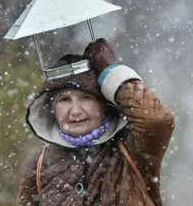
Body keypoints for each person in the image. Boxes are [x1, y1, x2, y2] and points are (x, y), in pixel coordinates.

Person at [18, 38, 175, 206]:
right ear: (52, 109)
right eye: (64, 100)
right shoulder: (38, 163)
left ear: (103, 105)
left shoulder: (130, 147)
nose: (75, 110)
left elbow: (157, 120)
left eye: (86, 98)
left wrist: (111, 73)